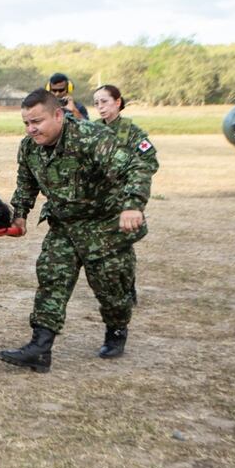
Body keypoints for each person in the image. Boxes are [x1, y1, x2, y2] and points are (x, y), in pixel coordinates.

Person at [0, 89, 156, 373]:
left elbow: (136, 167)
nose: (32, 129)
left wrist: (132, 206)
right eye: (26, 123)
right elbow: (26, 183)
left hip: (104, 226)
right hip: (65, 225)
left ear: (58, 115)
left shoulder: (91, 138)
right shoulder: (29, 147)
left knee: (112, 291)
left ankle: (116, 330)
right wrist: (19, 214)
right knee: (51, 278)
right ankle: (40, 347)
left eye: (37, 121)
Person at [92, 84, 161, 305]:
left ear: (118, 102)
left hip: (123, 200)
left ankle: (126, 289)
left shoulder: (131, 132)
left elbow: (149, 161)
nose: (100, 107)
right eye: (96, 103)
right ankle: (112, 290)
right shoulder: (92, 129)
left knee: (121, 248)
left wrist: (131, 192)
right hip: (98, 201)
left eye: (104, 101)